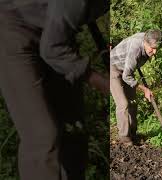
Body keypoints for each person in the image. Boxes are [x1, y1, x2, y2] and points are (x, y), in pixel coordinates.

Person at [0, 0, 109, 180]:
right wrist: (103, 83)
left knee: (74, 129)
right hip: (12, 29)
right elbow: (53, 50)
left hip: (55, 32)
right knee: (42, 136)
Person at [110, 29, 162, 145]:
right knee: (123, 104)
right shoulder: (136, 48)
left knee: (133, 102)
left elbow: (129, 70)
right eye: (152, 49)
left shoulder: (148, 39)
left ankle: (133, 134)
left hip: (126, 69)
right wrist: (144, 89)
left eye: (156, 49)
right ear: (145, 42)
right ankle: (124, 137)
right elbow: (126, 76)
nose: (154, 52)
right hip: (113, 68)